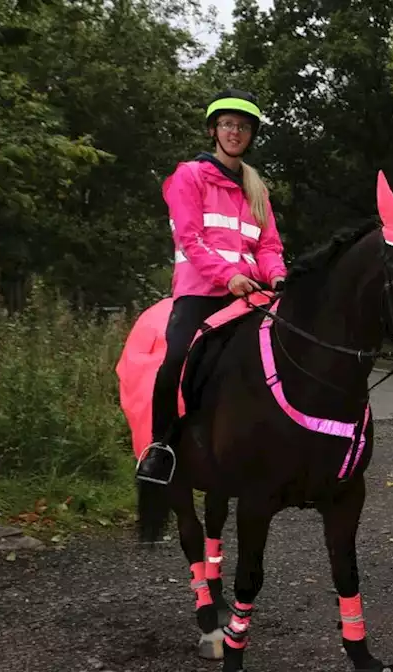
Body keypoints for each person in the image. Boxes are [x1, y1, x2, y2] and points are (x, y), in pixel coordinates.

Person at [135, 88, 288, 486]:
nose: (235, 132)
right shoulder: (188, 176)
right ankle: (160, 448)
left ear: (251, 134)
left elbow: (268, 245)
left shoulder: (257, 189)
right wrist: (228, 276)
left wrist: (278, 276)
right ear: (213, 130)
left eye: (243, 126)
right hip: (200, 292)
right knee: (174, 362)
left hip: (251, 293)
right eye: (227, 124)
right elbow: (191, 238)